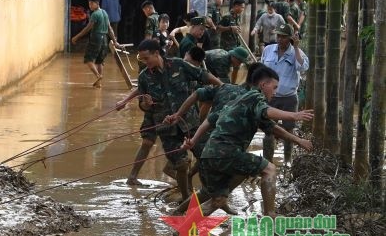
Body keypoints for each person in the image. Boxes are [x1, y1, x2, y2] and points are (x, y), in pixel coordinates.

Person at [182, 66, 313, 217]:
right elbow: (267, 111)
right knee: (269, 169)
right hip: (226, 152)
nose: (275, 92)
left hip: (208, 155)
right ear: (263, 85)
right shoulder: (255, 97)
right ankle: (270, 215)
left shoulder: (237, 100)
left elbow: (210, 120)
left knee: (218, 201)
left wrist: (193, 141)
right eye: (274, 87)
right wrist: (294, 115)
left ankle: (182, 230)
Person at [134, 39, 221, 201]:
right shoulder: (144, 77)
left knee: (206, 157)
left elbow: (203, 75)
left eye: (147, 58)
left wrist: (223, 88)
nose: (145, 62)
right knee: (181, 164)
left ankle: (213, 194)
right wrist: (145, 104)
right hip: (166, 128)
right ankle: (187, 197)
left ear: (156, 53)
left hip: (190, 122)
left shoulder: (179, 65)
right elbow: (143, 106)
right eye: (142, 60)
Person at [261, 24, 309, 164]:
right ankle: (267, 162)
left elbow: (303, 67)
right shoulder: (268, 50)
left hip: (289, 98)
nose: (280, 39)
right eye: (278, 36)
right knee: (268, 131)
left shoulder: (297, 52)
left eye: (283, 36)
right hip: (270, 98)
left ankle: (288, 161)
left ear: (290, 38)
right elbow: (262, 70)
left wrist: (296, 48)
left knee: (289, 131)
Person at [72, 0, 119, 88]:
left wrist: (76, 37)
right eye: (89, 3)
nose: (90, 6)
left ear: (97, 4)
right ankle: (98, 83)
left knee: (88, 59)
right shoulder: (104, 13)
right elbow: (110, 28)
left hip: (96, 38)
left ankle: (98, 76)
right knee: (99, 61)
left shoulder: (95, 14)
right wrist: (114, 40)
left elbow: (87, 28)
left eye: (91, 4)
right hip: (104, 39)